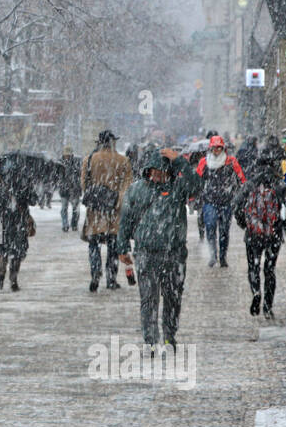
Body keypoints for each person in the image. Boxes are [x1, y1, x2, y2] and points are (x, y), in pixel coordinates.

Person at [117, 148, 201, 353]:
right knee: (148, 299)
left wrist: (181, 162)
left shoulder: (178, 188)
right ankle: (150, 341)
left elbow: (197, 186)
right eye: (154, 171)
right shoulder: (137, 190)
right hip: (146, 253)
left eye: (162, 171)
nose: (158, 175)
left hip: (174, 253)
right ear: (148, 170)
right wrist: (123, 248)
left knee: (173, 298)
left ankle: (169, 336)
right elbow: (125, 219)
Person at [232, 138, 286, 319]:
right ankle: (268, 307)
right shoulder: (279, 183)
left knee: (253, 266)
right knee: (270, 269)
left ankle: (255, 292)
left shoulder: (252, 181)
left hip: (253, 233)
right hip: (273, 233)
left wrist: (245, 224)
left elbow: (237, 205)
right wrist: (285, 227)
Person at [81, 130, 133, 291]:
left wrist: (97, 197)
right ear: (113, 142)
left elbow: (84, 185)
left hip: (95, 210)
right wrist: (118, 201)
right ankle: (111, 278)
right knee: (113, 245)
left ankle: (95, 272)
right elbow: (127, 186)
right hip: (114, 211)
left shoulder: (89, 160)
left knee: (94, 244)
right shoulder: (123, 161)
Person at [0, 156, 37, 291]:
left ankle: (1, 274)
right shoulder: (23, 181)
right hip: (18, 221)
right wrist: (24, 193)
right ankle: (13, 278)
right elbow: (34, 200)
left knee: (0, 249)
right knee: (17, 251)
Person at [195, 135, 245, 268]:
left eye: (219, 148)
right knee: (210, 228)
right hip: (209, 201)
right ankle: (213, 256)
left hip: (226, 201)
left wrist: (241, 193)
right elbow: (196, 180)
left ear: (223, 148)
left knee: (224, 231)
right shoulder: (204, 162)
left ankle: (222, 257)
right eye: (214, 148)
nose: (216, 150)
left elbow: (242, 179)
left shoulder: (231, 161)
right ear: (210, 149)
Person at [58, 146, 82, 232]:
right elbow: (57, 176)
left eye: (68, 155)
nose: (67, 156)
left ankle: (74, 224)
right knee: (64, 208)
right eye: (66, 155)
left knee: (75, 209)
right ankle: (65, 224)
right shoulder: (59, 163)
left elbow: (80, 175)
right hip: (64, 189)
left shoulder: (77, 162)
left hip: (74, 189)